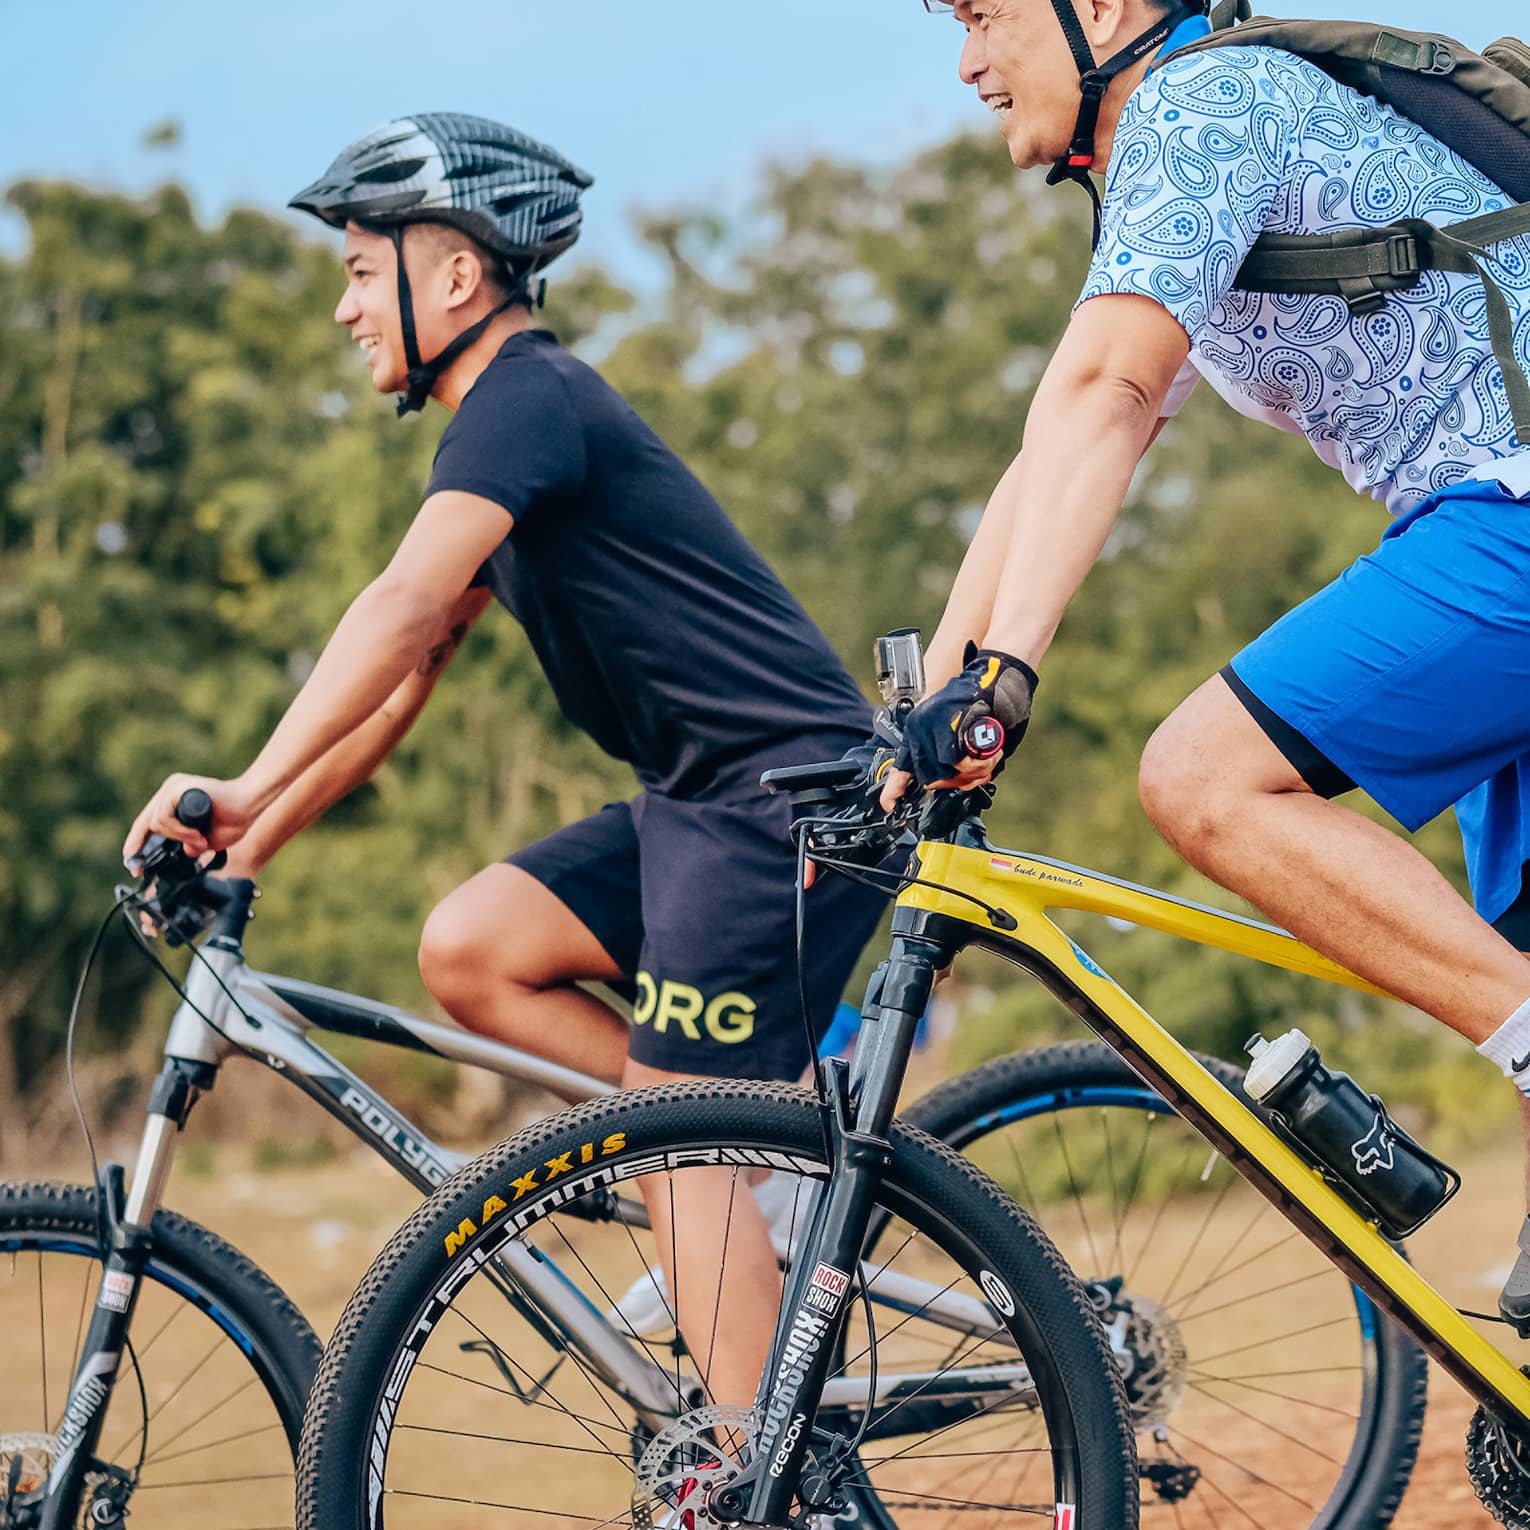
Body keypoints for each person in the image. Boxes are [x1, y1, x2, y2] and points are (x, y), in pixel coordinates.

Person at [121, 113, 886, 1403]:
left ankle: (773, 1468)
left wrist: (245, 774)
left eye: (364, 272)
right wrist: (251, 836)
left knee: (672, 1145)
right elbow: (408, 684)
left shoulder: (528, 398)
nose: (345, 309)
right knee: (472, 948)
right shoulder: (502, 424)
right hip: (698, 802)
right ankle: (774, 1129)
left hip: (783, 798)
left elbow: (406, 606)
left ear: (458, 275)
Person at [893, 0, 1530, 1320]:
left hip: (1505, 511)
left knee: (1205, 779)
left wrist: (1000, 678)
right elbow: (1054, 456)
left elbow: (1107, 395)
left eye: (982, 14)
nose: (966, 63)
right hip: (1481, 526)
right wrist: (920, 701)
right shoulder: (1179, 155)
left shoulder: (1203, 105)